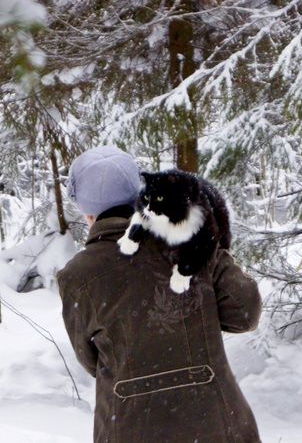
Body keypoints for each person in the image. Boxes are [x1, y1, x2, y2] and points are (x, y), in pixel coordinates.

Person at [57, 145, 263, 443]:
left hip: (129, 429)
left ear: (86, 211)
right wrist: (216, 244)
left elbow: (93, 361)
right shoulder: (189, 241)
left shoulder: (77, 276)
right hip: (217, 427)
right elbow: (244, 313)